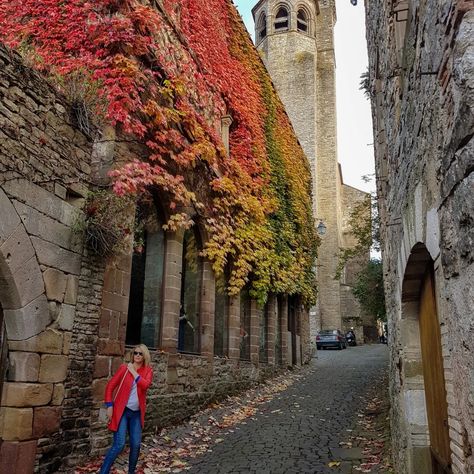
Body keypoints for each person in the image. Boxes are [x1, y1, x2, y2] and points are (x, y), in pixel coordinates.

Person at [100, 344, 153, 474]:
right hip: (122, 412)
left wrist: (133, 371)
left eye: (140, 353)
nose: (137, 356)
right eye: (135, 353)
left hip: (136, 414)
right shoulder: (124, 368)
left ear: (145, 355)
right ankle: (103, 472)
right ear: (132, 354)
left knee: (135, 445)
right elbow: (110, 386)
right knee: (119, 444)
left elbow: (145, 385)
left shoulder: (148, 370)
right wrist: (109, 405)